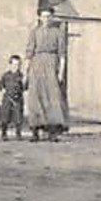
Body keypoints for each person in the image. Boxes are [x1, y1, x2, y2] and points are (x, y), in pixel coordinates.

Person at [25, 7, 70, 141]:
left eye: (49, 16)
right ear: (39, 18)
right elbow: (29, 53)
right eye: (44, 16)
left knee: (53, 97)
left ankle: (53, 132)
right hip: (37, 65)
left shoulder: (58, 33)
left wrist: (61, 72)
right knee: (36, 97)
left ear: (52, 17)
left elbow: (62, 54)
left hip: (52, 64)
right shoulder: (34, 32)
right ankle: (35, 131)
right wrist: (26, 72)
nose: (46, 19)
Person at [0, 55, 27, 141]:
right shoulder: (6, 75)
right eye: (14, 65)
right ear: (10, 65)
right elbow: (0, 85)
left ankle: (18, 133)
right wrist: (2, 90)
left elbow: (25, 87)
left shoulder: (21, 76)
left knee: (18, 117)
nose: (16, 67)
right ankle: (4, 133)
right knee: (5, 116)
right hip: (7, 98)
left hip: (17, 99)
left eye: (18, 65)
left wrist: (24, 84)